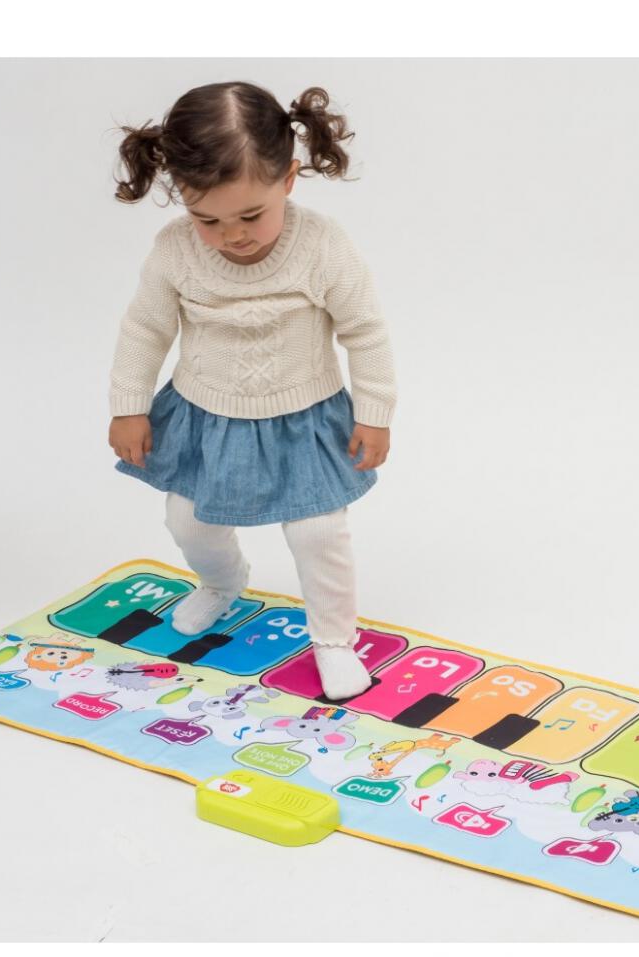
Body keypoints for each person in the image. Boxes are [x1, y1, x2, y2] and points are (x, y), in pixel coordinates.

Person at [106, 81, 397, 701]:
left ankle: (333, 639)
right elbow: (145, 329)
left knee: (317, 533)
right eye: (207, 219)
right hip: (205, 417)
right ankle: (222, 582)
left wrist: (374, 414)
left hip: (303, 419)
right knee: (188, 521)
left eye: (250, 216)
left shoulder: (322, 246)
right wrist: (128, 406)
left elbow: (366, 332)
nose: (232, 235)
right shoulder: (175, 251)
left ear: (288, 179)